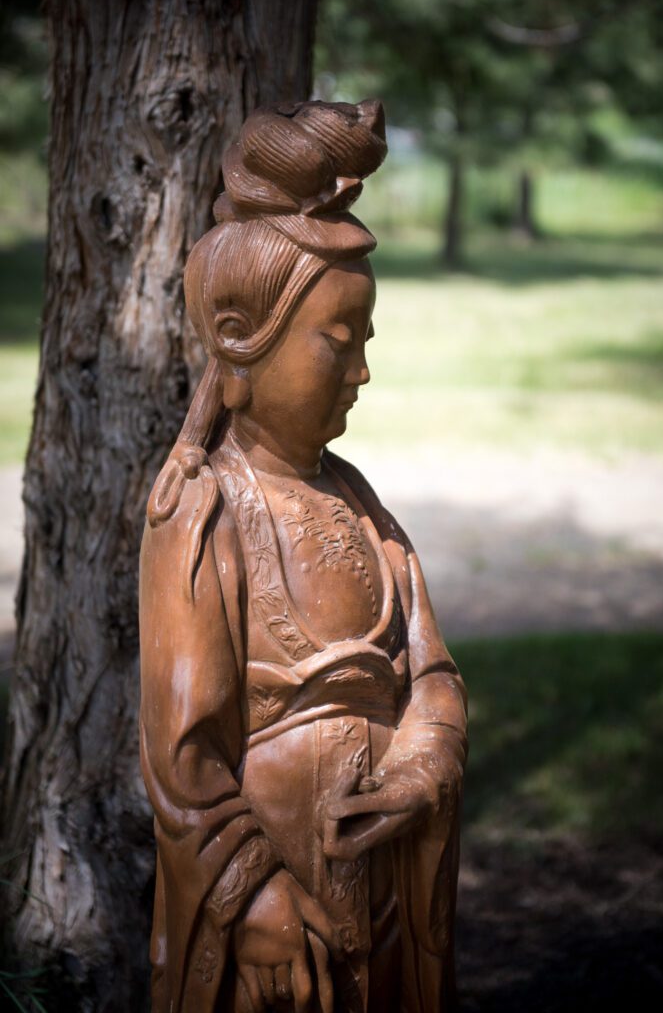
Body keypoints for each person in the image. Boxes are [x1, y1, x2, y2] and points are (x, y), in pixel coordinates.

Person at [139, 99, 467, 1013]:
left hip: (390, 878)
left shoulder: (360, 503)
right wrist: (255, 894)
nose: (361, 370)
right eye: (339, 342)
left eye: (365, 341)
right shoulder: (204, 512)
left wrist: (420, 761)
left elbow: (430, 668)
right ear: (245, 337)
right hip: (274, 907)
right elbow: (182, 754)